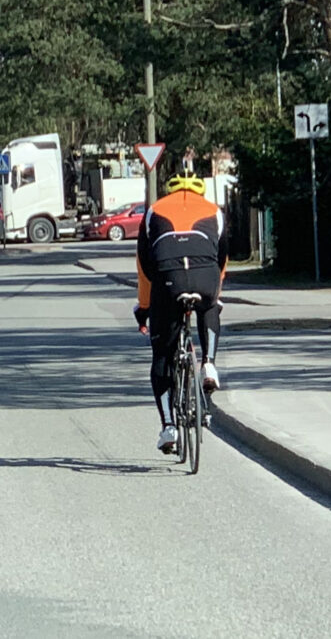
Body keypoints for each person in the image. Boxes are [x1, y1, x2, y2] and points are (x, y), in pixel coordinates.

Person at [133, 174, 228, 454]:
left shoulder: (154, 212)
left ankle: (169, 428)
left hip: (168, 279)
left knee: (162, 356)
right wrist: (214, 293)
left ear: (169, 190)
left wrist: (144, 308)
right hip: (205, 276)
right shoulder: (214, 211)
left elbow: (144, 266)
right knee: (209, 305)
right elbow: (221, 259)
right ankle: (209, 363)